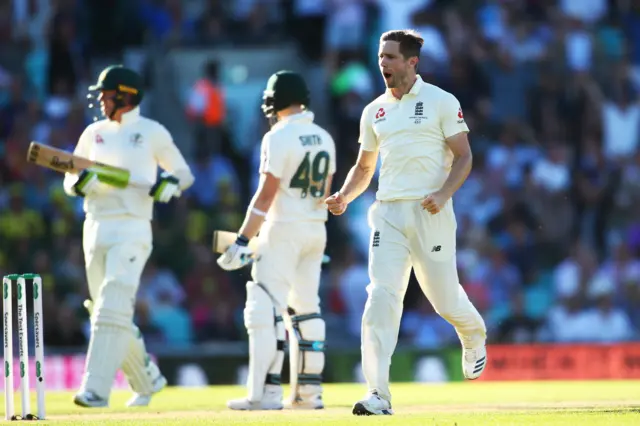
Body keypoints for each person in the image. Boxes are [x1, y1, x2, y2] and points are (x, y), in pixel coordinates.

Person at [325, 29, 487, 416]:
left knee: (444, 300)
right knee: (381, 296)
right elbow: (365, 166)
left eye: (392, 57)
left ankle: (474, 334)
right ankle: (377, 394)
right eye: (381, 57)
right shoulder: (374, 110)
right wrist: (345, 195)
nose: (384, 64)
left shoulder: (441, 101)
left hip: (431, 212)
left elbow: (464, 157)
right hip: (388, 214)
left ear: (412, 62)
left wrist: (444, 194)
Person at [63, 65, 195, 408]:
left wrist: (170, 184)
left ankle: (96, 390)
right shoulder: (93, 133)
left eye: (106, 95)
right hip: (95, 225)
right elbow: (69, 177)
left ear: (124, 96)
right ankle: (147, 379)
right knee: (105, 313)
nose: (101, 101)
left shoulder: (152, 132)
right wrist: (80, 184)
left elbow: (183, 173)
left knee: (111, 304)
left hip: (133, 226)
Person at [217, 70, 336, 410]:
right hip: (316, 230)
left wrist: (241, 240)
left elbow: (266, 196)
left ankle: (263, 395)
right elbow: (323, 194)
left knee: (262, 308)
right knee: (306, 311)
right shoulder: (324, 137)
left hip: (282, 229)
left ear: (274, 102)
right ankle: (309, 396)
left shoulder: (278, 137)